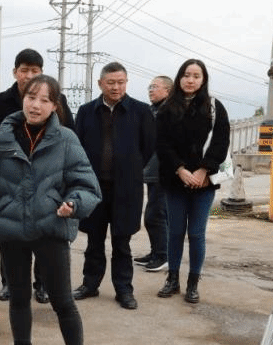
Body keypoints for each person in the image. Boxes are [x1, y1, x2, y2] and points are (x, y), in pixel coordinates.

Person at [0, 75, 100, 345]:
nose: (36, 105)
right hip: (12, 230)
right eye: (32, 97)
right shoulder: (6, 135)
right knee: (18, 298)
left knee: (63, 301)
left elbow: (87, 186)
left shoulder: (66, 139)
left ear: (55, 106)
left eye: (45, 100)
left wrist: (73, 204)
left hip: (50, 229)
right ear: (23, 99)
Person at [0, 49, 74, 302]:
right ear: (15, 72)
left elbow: (70, 138)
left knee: (44, 233)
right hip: (11, 182)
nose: (29, 75)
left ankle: (42, 284)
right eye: (24, 70)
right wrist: (2, 168)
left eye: (35, 71)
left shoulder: (58, 100)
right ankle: (9, 283)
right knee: (9, 234)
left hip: (46, 181)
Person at [72, 61, 154, 310]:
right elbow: (78, 146)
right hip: (94, 189)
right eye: (111, 83)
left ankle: (124, 290)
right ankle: (90, 284)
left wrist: (129, 168)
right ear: (100, 84)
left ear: (126, 83)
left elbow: (148, 148)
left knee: (122, 243)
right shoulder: (86, 111)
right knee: (94, 241)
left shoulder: (141, 111)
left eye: (120, 82)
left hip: (126, 189)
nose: (116, 87)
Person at [155, 59, 230, 304]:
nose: (190, 80)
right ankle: (172, 279)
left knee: (196, 234)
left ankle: (193, 283)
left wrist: (203, 170)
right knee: (175, 232)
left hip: (204, 182)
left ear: (203, 80)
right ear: (179, 78)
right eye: (186, 75)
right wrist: (180, 169)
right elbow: (162, 143)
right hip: (175, 180)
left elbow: (221, 141)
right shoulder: (167, 108)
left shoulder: (214, 107)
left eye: (196, 76)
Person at [136, 75, 172, 272]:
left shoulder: (170, 111)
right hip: (152, 172)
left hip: (163, 172)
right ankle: (156, 252)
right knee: (154, 214)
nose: (151, 90)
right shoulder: (153, 110)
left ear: (168, 91)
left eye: (155, 87)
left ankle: (163, 255)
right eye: (149, 86)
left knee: (155, 214)